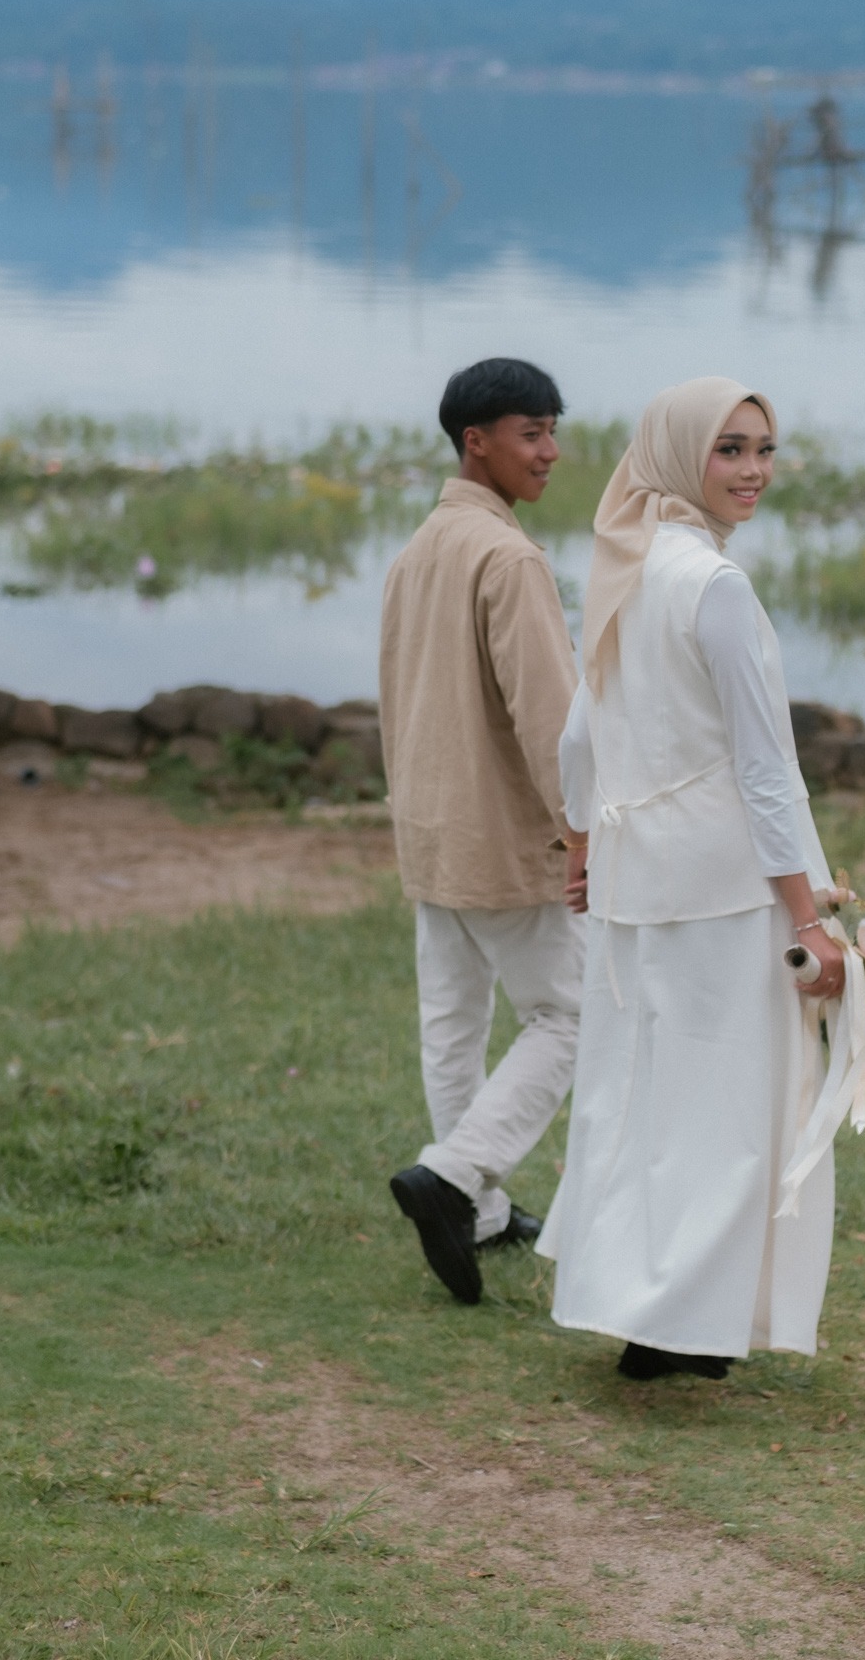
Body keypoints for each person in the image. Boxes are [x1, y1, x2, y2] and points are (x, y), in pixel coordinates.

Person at [537, 376, 845, 1380]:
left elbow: (579, 735)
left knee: (640, 1096)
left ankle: (650, 1313)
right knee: (723, 1106)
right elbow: (765, 768)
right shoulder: (714, 585)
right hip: (720, 884)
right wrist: (810, 918)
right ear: (678, 456)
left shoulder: (628, 565)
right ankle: (680, 1322)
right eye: (729, 449)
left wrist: (583, 844)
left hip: (636, 877)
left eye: (763, 448)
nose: (753, 470)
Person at [380, 357, 585, 1306]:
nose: (550, 452)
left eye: (552, 431)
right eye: (530, 433)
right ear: (477, 442)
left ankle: (484, 1211)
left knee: (453, 1026)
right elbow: (552, 720)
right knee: (571, 1015)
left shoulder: (419, 548)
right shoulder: (508, 558)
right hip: (501, 834)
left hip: (430, 827)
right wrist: (582, 830)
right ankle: (457, 1177)